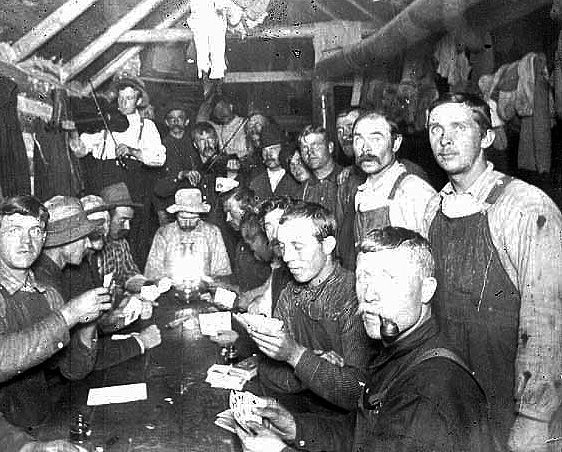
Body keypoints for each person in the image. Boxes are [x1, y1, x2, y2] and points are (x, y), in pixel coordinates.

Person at [235, 227, 497, 452]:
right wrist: (294, 427)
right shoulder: (399, 352)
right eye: (363, 278)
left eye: (389, 278)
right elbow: (362, 435)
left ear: (426, 290)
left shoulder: (432, 389)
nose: (369, 294)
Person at [423, 92, 562, 451]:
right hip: (454, 396)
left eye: (459, 127)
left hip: (510, 402)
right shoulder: (432, 210)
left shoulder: (525, 207)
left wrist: (535, 416)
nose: (445, 139)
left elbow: (547, 316)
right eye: (436, 128)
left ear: (486, 137)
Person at [246, 202, 371, 412]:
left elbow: (355, 392)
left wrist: (295, 356)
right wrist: (311, 365)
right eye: (283, 246)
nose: (286, 257)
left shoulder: (354, 295)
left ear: (328, 245)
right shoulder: (289, 293)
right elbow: (267, 370)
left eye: (297, 246)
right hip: (302, 414)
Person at [0, 195, 111, 428]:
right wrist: (69, 315)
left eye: (35, 231)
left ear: (44, 238)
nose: (26, 242)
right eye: (13, 231)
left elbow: (72, 370)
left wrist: (88, 323)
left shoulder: (47, 294)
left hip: (37, 426)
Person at [34, 195, 161, 372]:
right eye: (83, 235)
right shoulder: (46, 283)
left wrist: (118, 322)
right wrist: (138, 342)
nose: (90, 243)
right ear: (64, 238)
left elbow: (96, 330)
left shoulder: (81, 264)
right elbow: (72, 362)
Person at [70, 75, 166, 269]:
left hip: (133, 185)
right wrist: (72, 133)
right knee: (101, 230)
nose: (123, 103)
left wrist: (133, 151)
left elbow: (159, 158)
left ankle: (132, 275)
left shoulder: (146, 126)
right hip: (103, 182)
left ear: (139, 101)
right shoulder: (106, 122)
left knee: (133, 233)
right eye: (120, 98)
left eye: (129, 98)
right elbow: (80, 150)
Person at [335, 110, 436, 270]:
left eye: (376, 139)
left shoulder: (413, 191)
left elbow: (429, 261)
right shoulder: (362, 192)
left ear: (396, 143)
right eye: (358, 139)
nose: (365, 149)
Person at [145, 188, 231, 284]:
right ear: (176, 214)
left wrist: (209, 283)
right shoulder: (164, 233)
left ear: (200, 215)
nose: (188, 223)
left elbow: (223, 271)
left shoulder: (212, 232)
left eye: (193, 218)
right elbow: (152, 272)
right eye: (183, 218)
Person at [154, 103, 201, 225]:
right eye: (171, 118)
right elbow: (154, 181)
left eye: (180, 117)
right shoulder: (159, 146)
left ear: (186, 122)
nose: (175, 121)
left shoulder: (194, 144)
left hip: (194, 206)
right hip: (169, 206)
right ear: (166, 122)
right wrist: (160, 211)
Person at [97, 182, 146, 293]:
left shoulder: (121, 242)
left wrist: (148, 285)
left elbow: (129, 273)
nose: (127, 227)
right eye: (122, 221)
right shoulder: (93, 248)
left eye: (129, 221)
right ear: (107, 218)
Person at [223, 187, 271, 293]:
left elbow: (270, 287)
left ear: (246, 210)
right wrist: (215, 281)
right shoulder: (242, 245)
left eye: (230, 212)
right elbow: (239, 280)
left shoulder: (263, 241)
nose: (227, 219)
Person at [249, 124, 301, 203]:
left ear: (283, 149)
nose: (268, 155)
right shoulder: (255, 181)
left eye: (273, 149)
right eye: (264, 150)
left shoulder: (297, 177)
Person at [298, 126, 342, 214]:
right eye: (305, 148)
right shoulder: (303, 190)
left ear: (330, 147)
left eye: (316, 146)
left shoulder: (348, 181)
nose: (310, 152)